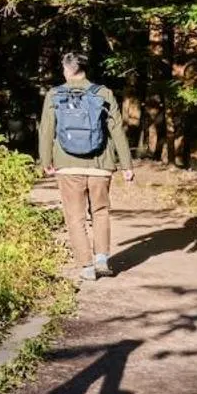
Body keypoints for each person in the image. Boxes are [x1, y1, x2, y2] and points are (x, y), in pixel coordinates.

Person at [38, 53, 134, 279]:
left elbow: (46, 130)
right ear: (84, 69)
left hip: (68, 166)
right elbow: (117, 130)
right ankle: (102, 259)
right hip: (100, 165)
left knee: (75, 217)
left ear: (67, 70)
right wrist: (127, 164)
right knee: (100, 212)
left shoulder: (54, 95)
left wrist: (46, 160)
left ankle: (87, 267)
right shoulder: (104, 93)